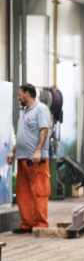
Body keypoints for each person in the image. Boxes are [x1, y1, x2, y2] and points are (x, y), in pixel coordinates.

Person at [6, 83, 51, 233]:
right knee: (23, 192)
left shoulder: (41, 109)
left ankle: (40, 225)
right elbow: (21, 136)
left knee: (39, 191)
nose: (18, 97)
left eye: (20, 94)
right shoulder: (24, 112)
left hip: (36, 159)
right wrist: (13, 151)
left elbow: (44, 130)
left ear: (27, 94)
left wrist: (38, 151)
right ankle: (27, 223)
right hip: (22, 158)